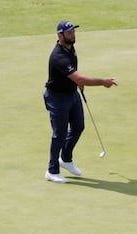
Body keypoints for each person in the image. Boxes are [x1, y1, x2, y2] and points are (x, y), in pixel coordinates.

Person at [43, 21, 117, 183]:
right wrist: (102, 82)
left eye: (73, 32)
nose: (72, 35)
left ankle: (66, 159)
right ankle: (52, 170)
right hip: (57, 98)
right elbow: (79, 77)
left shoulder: (71, 49)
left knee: (78, 126)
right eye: (68, 33)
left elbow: (74, 75)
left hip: (71, 94)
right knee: (59, 135)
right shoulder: (58, 56)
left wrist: (77, 83)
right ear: (60, 36)